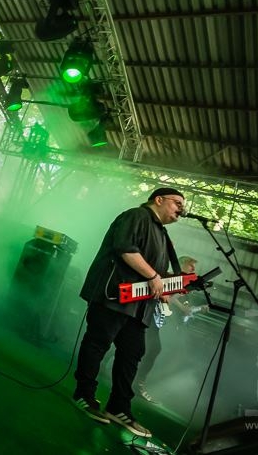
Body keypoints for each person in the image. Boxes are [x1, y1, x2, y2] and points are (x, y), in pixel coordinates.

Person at [71, 187, 186, 439]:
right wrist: (154, 277)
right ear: (159, 200)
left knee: (132, 354)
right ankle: (84, 394)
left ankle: (118, 407)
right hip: (113, 296)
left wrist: (165, 286)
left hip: (139, 306)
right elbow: (125, 249)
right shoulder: (137, 215)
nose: (182, 209)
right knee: (98, 344)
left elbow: (154, 272)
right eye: (177, 203)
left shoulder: (162, 233)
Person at [135, 255, 203, 403]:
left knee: (145, 347)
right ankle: (137, 383)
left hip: (158, 319)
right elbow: (169, 296)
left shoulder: (184, 282)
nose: (193, 268)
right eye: (191, 265)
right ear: (182, 263)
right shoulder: (172, 277)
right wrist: (171, 299)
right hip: (148, 314)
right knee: (151, 348)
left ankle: (136, 381)